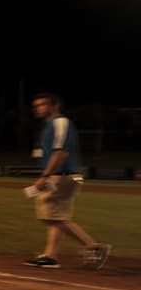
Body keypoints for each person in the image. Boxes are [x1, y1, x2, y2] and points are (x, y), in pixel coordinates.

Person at [22, 92, 111, 270]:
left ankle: (93, 247)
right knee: (55, 215)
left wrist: (45, 176)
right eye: (36, 105)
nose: (37, 108)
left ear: (54, 106)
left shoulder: (60, 122)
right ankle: (51, 256)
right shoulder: (48, 126)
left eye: (42, 104)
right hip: (64, 174)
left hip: (63, 175)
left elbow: (61, 152)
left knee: (49, 211)